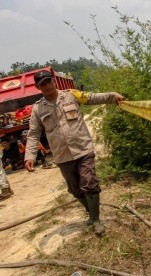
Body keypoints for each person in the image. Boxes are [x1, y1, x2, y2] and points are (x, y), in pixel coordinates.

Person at [24, 70, 125, 235]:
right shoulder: (38, 109)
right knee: (75, 189)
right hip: (62, 155)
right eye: (43, 84)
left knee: (89, 182)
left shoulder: (71, 95)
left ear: (54, 81)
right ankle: (91, 214)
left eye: (49, 81)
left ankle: (96, 220)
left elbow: (92, 97)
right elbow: (34, 133)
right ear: (38, 87)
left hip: (83, 149)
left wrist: (112, 96)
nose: (47, 85)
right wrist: (30, 155)